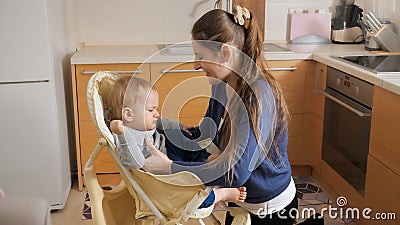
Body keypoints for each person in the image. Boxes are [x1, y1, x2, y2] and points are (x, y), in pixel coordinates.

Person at [143, 6, 324, 225]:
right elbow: (207, 135)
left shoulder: (257, 97)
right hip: (240, 199)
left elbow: (235, 173)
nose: (195, 64)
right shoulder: (222, 85)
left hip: (268, 208)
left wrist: (170, 167)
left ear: (225, 53)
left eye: (200, 56)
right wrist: (158, 125)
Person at [107, 75, 246, 208]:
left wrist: (180, 127)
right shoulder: (126, 137)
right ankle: (221, 194)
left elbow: (161, 122)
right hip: (159, 171)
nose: (156, 113)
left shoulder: (142, 122)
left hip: (167, 149)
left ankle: (206, 158)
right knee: (188, 194)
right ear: (128, 114)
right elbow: (135, 162)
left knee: (179, 136)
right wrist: (122, 134)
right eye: (151, 110)